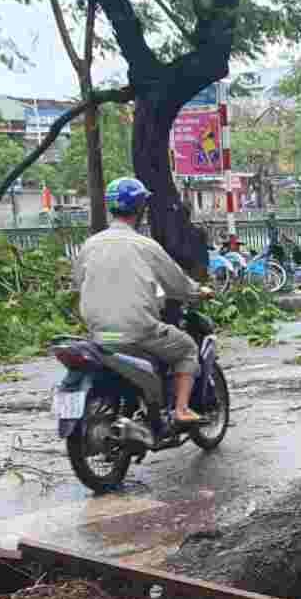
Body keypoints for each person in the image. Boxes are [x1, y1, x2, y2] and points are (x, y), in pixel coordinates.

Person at [71, 176, 212, 431]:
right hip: (138, 331)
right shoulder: (145, 245)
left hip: (101, 334)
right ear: (140, 208)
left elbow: (78, 281)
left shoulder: (90, 245)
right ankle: (181, 409)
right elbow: (177, 284)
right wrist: (198, 292)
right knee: (187, 348)